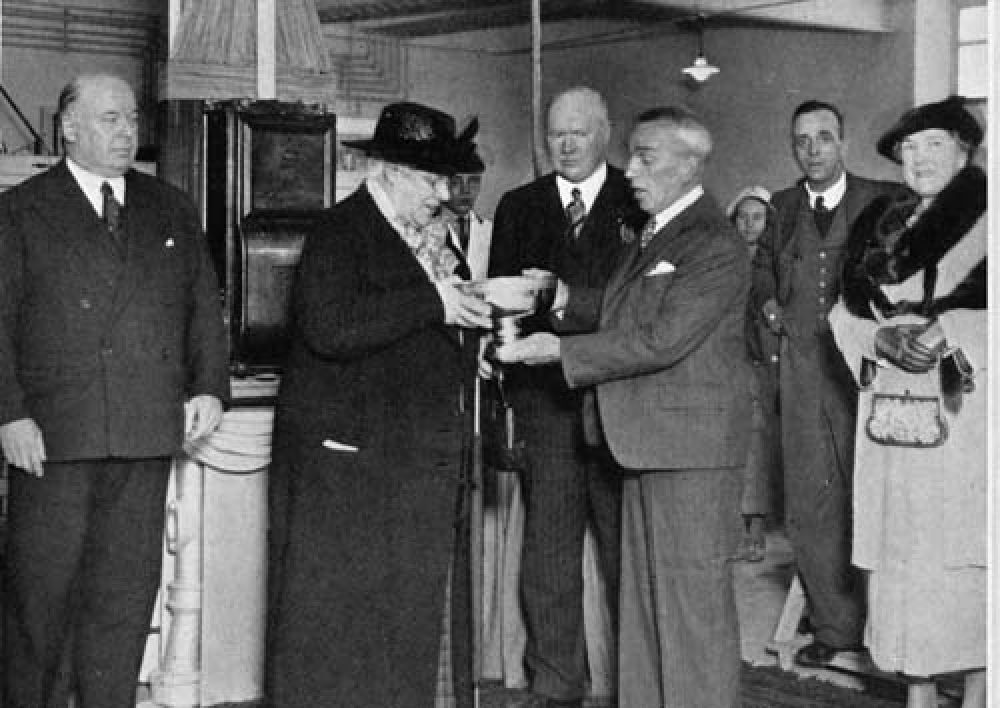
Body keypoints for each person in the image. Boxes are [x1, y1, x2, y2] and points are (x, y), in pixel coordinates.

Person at [496, 106, 753, 708]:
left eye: (647, 156)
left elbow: (661, 337)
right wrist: (563, 297)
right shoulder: (657, 232)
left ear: (689, 165)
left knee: (690, 616)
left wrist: (559, 350)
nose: (631, 168)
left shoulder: (712, 241)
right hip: (644, 446)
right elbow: (627, 312)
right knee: (642, 614)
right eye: (632, 154)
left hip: (689, 459)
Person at [0, 73, 229, 708]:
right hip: (53, 438)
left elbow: (200, 308)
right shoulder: (20, 210)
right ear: (68, 128)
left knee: (123, 601)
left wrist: (209, 386)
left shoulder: (170, 206)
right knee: (39, 604)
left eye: (130, 119)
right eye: (109, 119)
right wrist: (8, 415)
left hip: (141, 432)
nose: (126, 131)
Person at [265, 101, 492, 708]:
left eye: (447, 181)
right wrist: (436, 304)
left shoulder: (429, 238)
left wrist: (480, 346)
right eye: (430, 180)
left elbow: (426, 332)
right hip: (350, 473)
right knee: (335, 635)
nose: (443, 194)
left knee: (393, 632)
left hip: (404, 466)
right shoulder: (340, 232)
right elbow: (329, 328)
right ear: (388, 171)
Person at [829, 96, 987, 708]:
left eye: (935, 146)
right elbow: (843, 316)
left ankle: (977, 694)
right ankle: (917, 696)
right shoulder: (881, 223)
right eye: (910, 149)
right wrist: (879, 336)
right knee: (902, 563)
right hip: (891, 416)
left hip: (963, 415)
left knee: (962, 561)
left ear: (965, 152)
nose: (919, 159)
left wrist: (953, 333)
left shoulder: (988, 216)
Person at [488, 86, 642, 708]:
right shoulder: (518, 206)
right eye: (557, 134)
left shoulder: (639, 199)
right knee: (547, 555)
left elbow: (639, 310)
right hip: (544, 407)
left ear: (605, 132)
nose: (569, 143)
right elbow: (505, 308)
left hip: (618, 403)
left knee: (622, 554)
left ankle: (636, 682)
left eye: (580, 131)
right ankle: (556, 684)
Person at [750, 99, 906, 668]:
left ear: (843, 142)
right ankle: (837, 630)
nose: (812, 149)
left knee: (872, 493)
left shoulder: (881, 200)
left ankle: (886, 629)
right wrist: (767, 303)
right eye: (802, 140)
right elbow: (763, 266)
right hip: (801, 368)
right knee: (810, 503)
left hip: (863, 368)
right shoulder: (782, 207)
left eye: (823, 138)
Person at [727, 186, 780, 562]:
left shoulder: (778, 263)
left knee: (758, 435)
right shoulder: (723, 260)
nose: (749, 225)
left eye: (757, 217)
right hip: (726, 362)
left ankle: (755, 524)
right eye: (742, 218)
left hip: (763, 363)